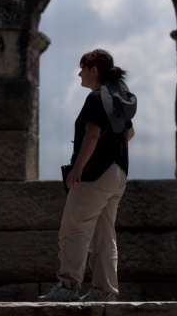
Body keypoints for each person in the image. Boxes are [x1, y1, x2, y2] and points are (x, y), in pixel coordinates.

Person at [40, 49, 137, 302]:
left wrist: (78, 168)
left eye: (83, 68)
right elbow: (129, 134)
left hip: (95, 175)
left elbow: (92, 135)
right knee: (104, 235)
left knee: (74, 229)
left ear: (94, 69)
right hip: (119, 175)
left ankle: (68, 286)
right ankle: (105, 291)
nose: (79, 73)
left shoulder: (95, 99)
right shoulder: (117, 100)